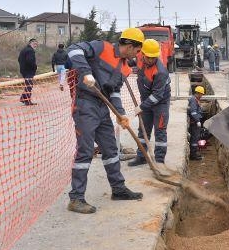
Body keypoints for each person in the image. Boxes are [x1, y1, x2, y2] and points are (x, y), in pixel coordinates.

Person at [65, 28, 145, 214]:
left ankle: (118, 189)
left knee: (110, 149)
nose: (137, 55)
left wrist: (120, 114)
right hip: (85, 104)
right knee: (85, 151)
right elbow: (74, 49)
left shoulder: (125, 67)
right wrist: (85, 72)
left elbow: (114, 91)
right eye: (137, 50)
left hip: (102, 106)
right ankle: (76, 198)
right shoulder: (101, 47)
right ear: (130, 46)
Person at [128, 39, 171, 166]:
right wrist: (124, 65)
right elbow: (130, 62)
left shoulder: (160, 71)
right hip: (146, 99)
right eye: (149, 57)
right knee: (143, 130)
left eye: (154, 57)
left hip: (160, 102)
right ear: (143, 54)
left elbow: (157, 95)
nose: (151, 60)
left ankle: (159, 161)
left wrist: (141, 107)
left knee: (160, 130)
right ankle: (141, 156)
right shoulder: (139, 58)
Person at [18, 38, 38, 105]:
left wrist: (22, 66)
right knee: (29, 85)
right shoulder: (30, 51)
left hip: (23, 70)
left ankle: (23, 98)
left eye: (36, 44)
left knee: (28, 85)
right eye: (34, 43)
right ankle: (27, 101)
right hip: (28, 71)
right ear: (30, 43)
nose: (35, 45)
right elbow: (30, 61)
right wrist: (35, 67)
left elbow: (19, 59)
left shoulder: (24, 49)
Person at [187, 85, 205, 160]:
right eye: (201, 94)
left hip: (195, 122)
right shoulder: (193, 100)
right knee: (194, 139)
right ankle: (193, 155)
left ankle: (194, 153)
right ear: (197, 93)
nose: (201, 96)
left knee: (196, 138)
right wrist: (197, 121)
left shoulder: (195, 99)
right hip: (194, 123)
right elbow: (193, 112)